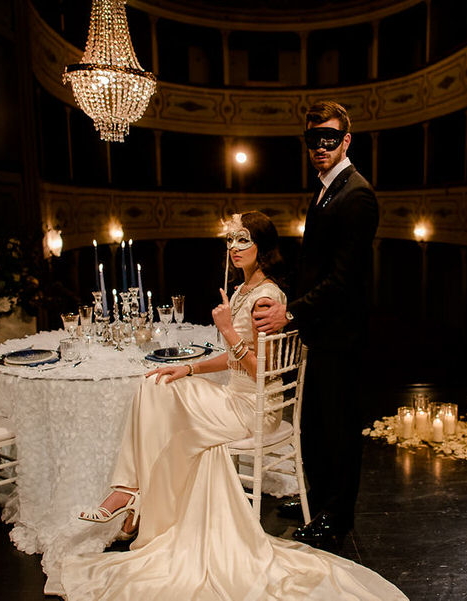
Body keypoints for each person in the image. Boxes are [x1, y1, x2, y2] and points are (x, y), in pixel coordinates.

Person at [58, 211, 405, 600]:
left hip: (254, 408)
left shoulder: (265, 298)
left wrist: (225, 329)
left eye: (244, 240)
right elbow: (233, 359)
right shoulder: (242, 291)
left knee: (160, 402)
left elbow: (264, 372)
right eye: (230, 240)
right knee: (154, 383)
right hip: (235, 397)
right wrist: (188, 368)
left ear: (263, 247)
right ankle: (130, 495)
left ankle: (132, 502)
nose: (234, 248)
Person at [253, 101, 379, 549]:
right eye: (313, 140)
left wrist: (291, 312)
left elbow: (343, 280)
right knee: (315, 422)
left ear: (346, 140)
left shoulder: (356, 194)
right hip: (319, 329)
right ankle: (319, 498)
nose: (321, 147)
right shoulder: (326, 187)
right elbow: (314, 265)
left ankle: (337, 516)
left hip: (341, 334)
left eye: (330, 138)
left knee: (340, 426)